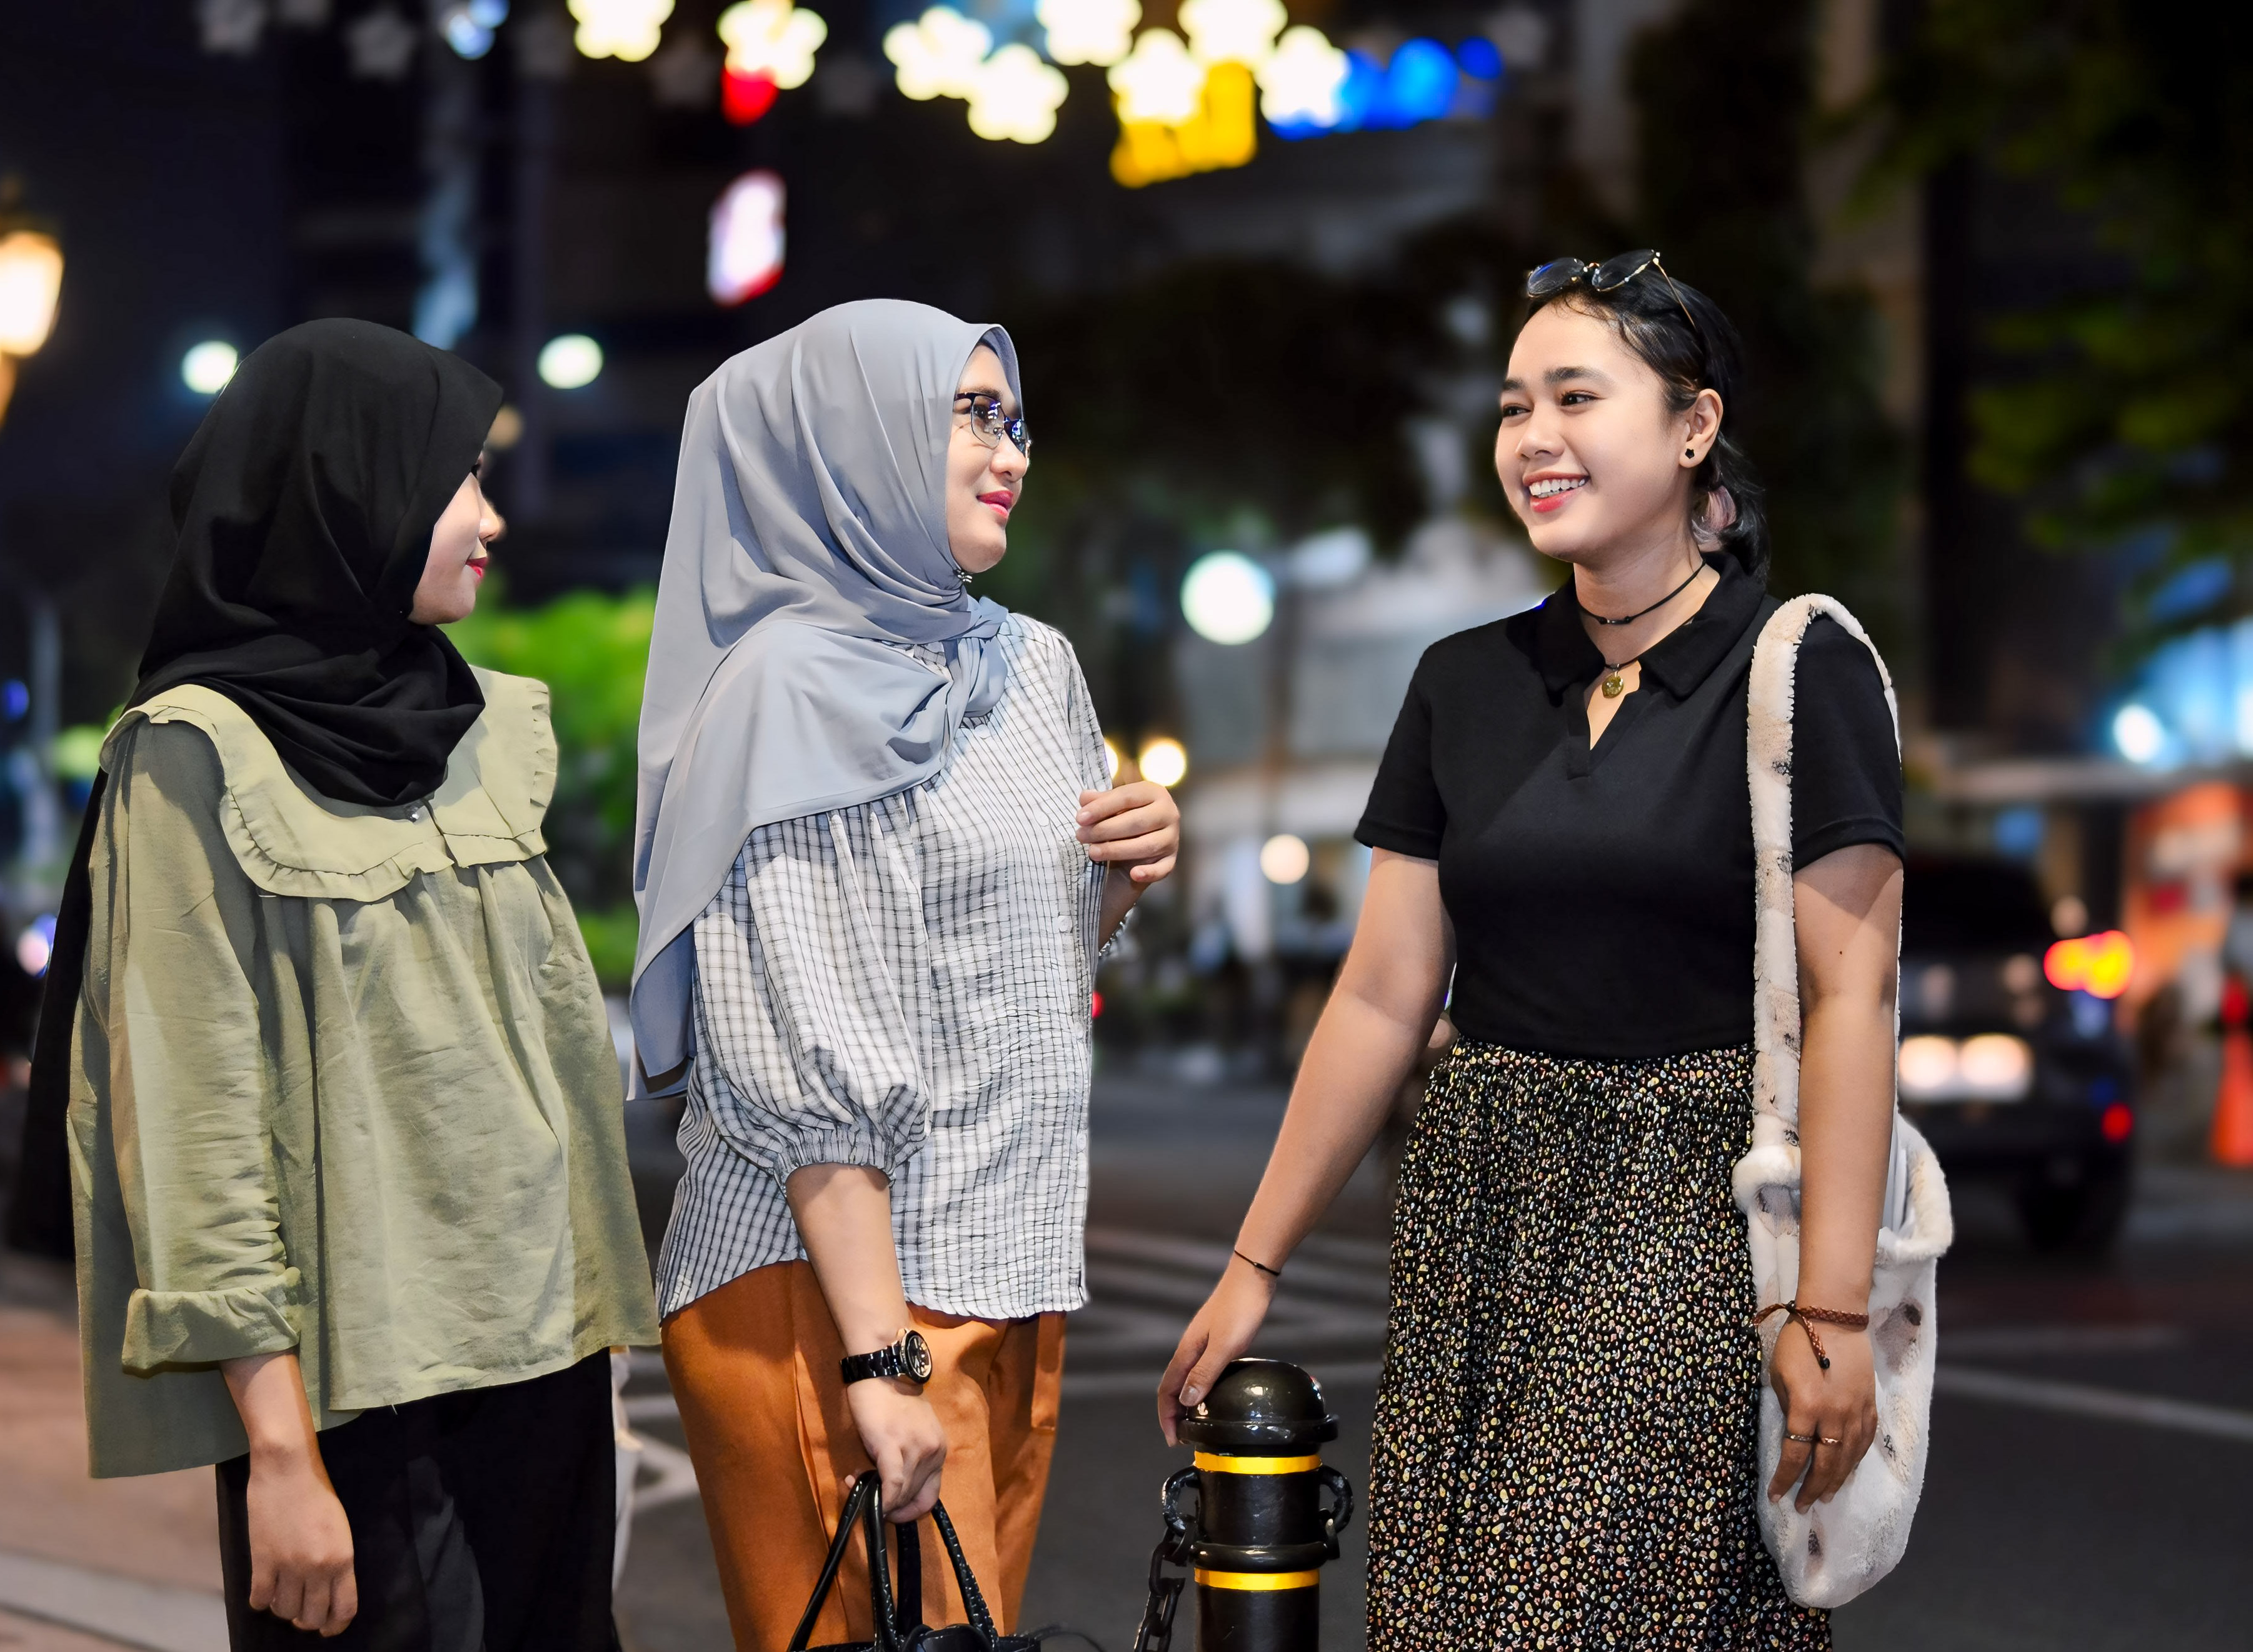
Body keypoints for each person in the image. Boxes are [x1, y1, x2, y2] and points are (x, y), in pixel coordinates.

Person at [1158, 254, 1904, 1648]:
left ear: (1693, 428)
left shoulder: (1798, 670)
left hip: (1685, 1215)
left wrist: (1835, 1306)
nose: (1533, 438)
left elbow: (1851, 990)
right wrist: (1255, 1258)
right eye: (1513, 407)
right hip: (1475, 1213)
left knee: (1560, 1603)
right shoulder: (1464, 681)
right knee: (1450, 1612)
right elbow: (1384, 993)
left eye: (1577, 395)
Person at [49, 319, 658, 1648]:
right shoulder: (190, 754)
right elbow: (194, 1125)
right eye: (461, 481)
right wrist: (275, 1450)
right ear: (351, 485)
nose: (492, 518)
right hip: (357, 1391)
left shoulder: (497, 728)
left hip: (549, 1366)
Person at [632, 299, 1180, 1651]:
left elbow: (1004, 960)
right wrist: (878, 1358)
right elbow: (800, 1054)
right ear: (853, 438)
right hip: (832, 1287)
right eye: (971, 414)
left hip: (1006, 1257)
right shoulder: (780, 689)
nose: (1013, 451)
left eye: (1016, 418)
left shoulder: (1025, 658)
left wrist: (1114, 873)